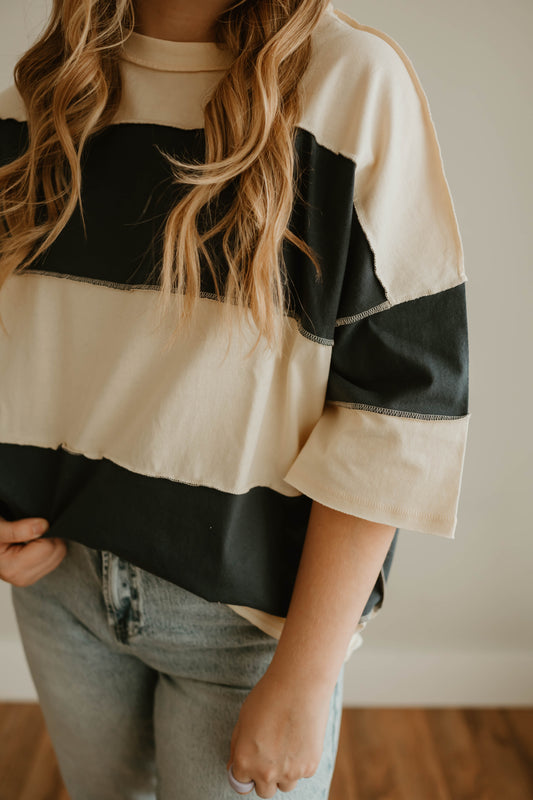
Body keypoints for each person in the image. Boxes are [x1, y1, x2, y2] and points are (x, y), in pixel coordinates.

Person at [0, 0, 470, 797]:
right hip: (60, 589)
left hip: (248, 628)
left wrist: (306, 673)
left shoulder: (351, 82)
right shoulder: (47, 87)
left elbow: (399, 403)